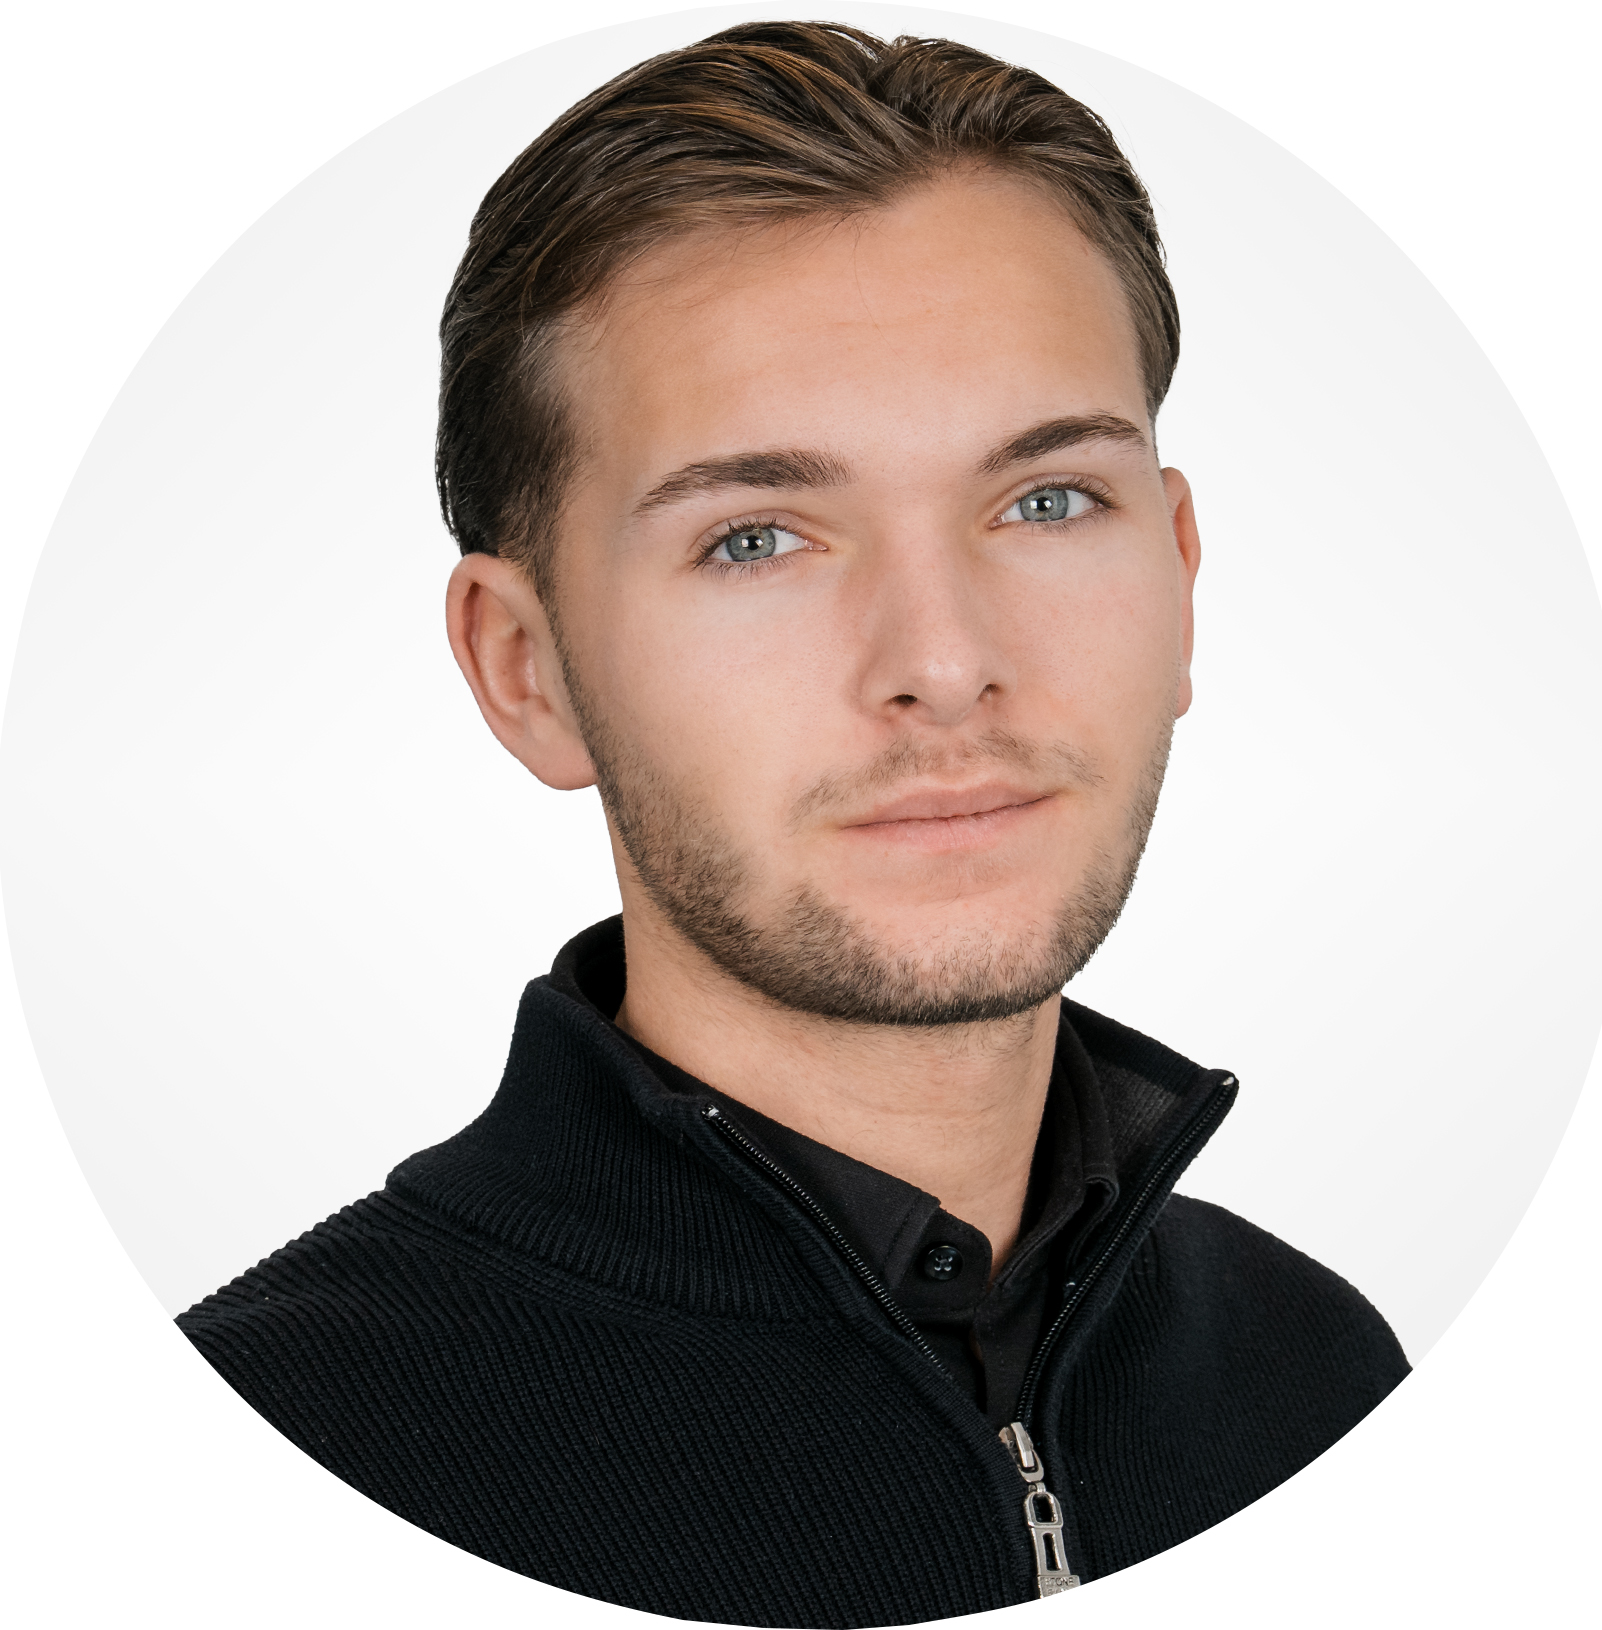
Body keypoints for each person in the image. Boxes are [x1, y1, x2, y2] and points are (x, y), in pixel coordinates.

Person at [178, 22, 1408, 1626]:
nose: (945, 663)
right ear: (527, 669)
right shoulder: (246, 1475)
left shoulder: (1327, 1381)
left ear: (1180, 575)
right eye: (757, 537)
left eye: (1047, 501)